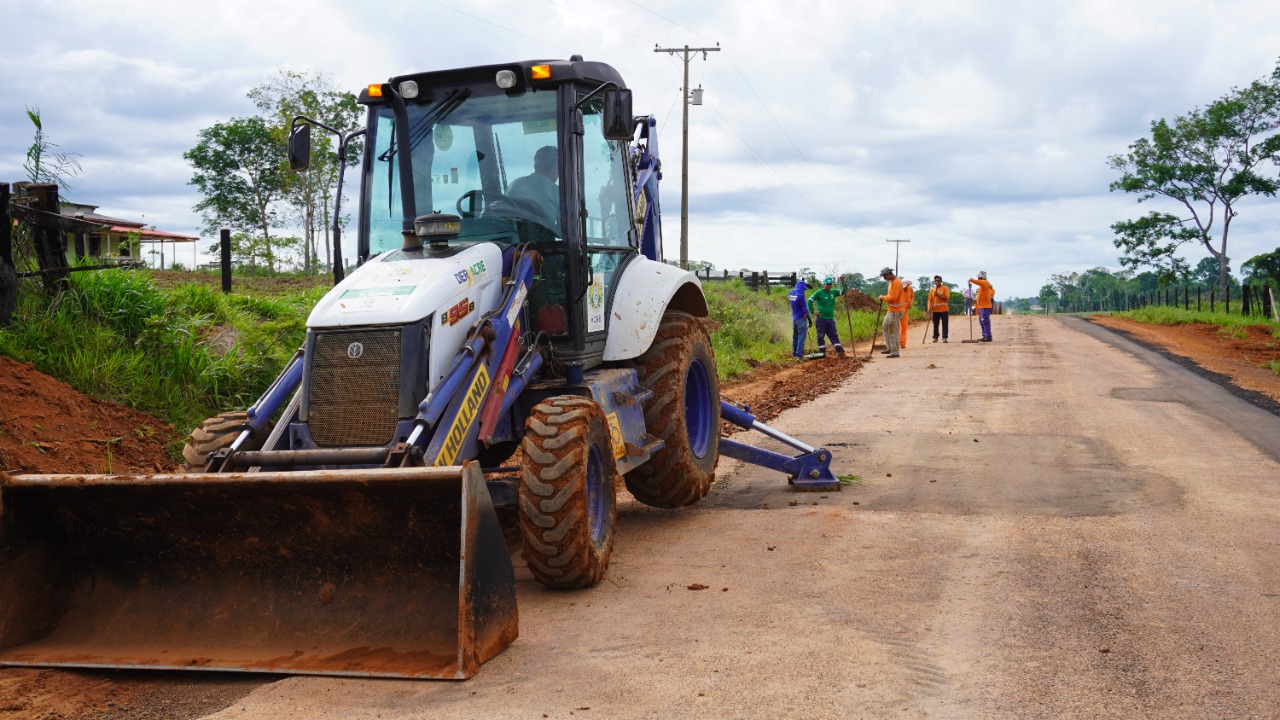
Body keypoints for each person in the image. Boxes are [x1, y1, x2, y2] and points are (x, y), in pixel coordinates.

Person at [507, 145, 560, 230]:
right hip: (543, 241)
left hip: (513, 239)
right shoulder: (558, 192)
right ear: (555, 168)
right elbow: (564, 229)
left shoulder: (514, 184)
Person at [807, 277, 845, 356]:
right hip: (821, 319)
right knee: (820, 335)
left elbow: (844, 292)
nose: (828, 286)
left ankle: (840, 351)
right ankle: (822, 352)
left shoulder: (833, 292)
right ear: (824, 284)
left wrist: (843, 282)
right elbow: (809, 301)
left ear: (832, 285)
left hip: (830, 319)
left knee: (834, 335)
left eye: (830, 284)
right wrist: (813, 312)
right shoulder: (819, 292)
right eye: (827, 284)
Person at [877, 267, 905, 358]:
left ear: (889, 274)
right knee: (885, 327)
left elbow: (892, 298)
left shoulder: (896, 283)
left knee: (893, 331)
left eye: (884, 276)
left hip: (896, 311)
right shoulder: (891, 282)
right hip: (891, 310)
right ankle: (889, 348)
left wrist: (883, 297)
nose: (884, 278)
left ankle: (895, 352)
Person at [788, 275, 812, 358]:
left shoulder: (791, 293)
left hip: (794, 318)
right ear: (802, 287)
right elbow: (805, 309)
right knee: (802, 337)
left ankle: (794, 353)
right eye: (804, 289)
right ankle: (799, 355)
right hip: (802, 318)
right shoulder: (801, 296)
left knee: (795, 336)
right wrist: (809, 319)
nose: (804, 291)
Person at [968, 270, 995, 342]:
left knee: (985, 321)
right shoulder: (982, 286)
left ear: (981, 277)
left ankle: (988, 336)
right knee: (982, 321)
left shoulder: (985, 282)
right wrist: (975, 300)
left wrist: (971, 280)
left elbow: (978, 282)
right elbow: (980, 295)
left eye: (978, 277)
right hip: (982, 306)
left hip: (985, 307)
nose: (978, 279)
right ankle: (985, 335)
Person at [929, 275, 951, 343]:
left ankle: (945, 337)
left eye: (938, 281)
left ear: (941, 281)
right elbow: (929, 300)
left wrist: (938, 295)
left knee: (945, 324)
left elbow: (947, 298)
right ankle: (935, 337)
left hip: (944, 309)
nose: (937, 282)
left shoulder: (945, 289)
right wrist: (929, 308)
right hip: (935, 310)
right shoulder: (932, 290)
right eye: (935, 281)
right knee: (935, 324)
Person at [899, 279, 915, 348]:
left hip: (905, 311)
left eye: (906, 286)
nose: (905, 287)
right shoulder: (899, 291)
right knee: (895, 327)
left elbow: (912, 297)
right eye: (903, 286)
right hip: (897, 311)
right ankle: (894, 343)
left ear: (908, 285)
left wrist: (910, 304)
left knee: (904, 327)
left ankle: (902, 343)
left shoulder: (910, 289)